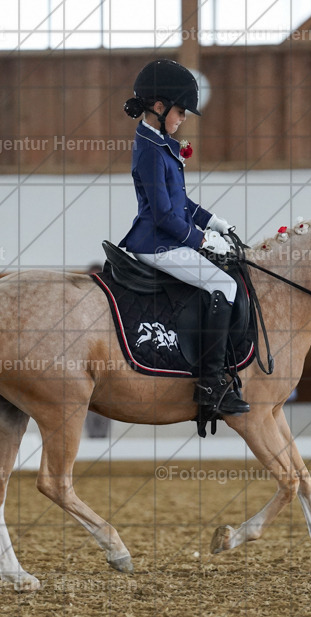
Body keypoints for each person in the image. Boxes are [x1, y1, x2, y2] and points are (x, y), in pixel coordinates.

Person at [119, 59, 248, 416]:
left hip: (169, 238)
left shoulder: (158, 141)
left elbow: (181, 203)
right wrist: (202, 241)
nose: (184, 118)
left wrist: (213, 222)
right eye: (180, 111)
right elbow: (163, 215)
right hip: (155, 243)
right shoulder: (148, 148)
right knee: (225, 286)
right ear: (158, 108)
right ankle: (210, 383)